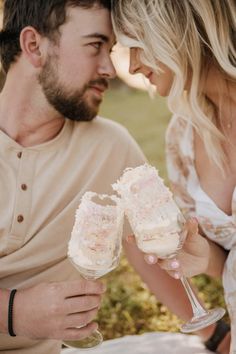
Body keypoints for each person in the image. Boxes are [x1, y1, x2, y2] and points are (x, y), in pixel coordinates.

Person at [0, 1, 209, 353]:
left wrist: (214, 335)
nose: (110, 68)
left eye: (109, 50)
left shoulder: (110, 145)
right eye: (95, 46)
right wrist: (13, 312)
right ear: (34, 45)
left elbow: (148, 252)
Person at [111, 0, 235, 353]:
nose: (132, 66)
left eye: (136, 46)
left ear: (174, 29)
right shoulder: (181, 137)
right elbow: (227, 263)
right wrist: (204, 257)